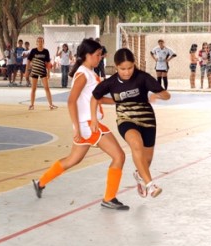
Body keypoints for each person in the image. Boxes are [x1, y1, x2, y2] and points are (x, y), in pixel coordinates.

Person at [31, 39, 129, 210]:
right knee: (119, 156)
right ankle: (109, 198)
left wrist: (119, 101)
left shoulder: (89, 73)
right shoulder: (83, 74)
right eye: (98, 55)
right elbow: (71, 101)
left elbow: (96, 99)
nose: (100, 58)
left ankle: (40, 182)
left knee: (72, 160)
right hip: (90, 124)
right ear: (87, 55)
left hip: (86, 125)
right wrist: (77, 128)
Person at [92, 48, 170, 199]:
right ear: (116, 67)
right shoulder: (111, 82)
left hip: (147, 120)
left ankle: (140, 176)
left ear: (134, 65)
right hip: (125, 119)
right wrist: (94, 118)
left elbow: (167, 95)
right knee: (135, 143)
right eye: (122, 69)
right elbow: (96, 97)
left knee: (146, 161)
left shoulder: (143, 78)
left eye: (130, 68)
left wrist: (157, 94)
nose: (127, 72)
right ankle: (150, 185)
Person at [25, 37, 58, 110]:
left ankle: (51, 104)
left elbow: (48, 63)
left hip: (43, 71)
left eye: (41, 41)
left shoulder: (46, 51)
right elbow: (28, 61)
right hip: (34, 71)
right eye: (38, 41)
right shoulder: (33, 51)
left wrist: (49, 73)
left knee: (47, 88)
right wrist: (27, 71)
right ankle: (32, 104)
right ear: (36, 42)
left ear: (43, 43)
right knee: (33, 88)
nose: (40, 43)